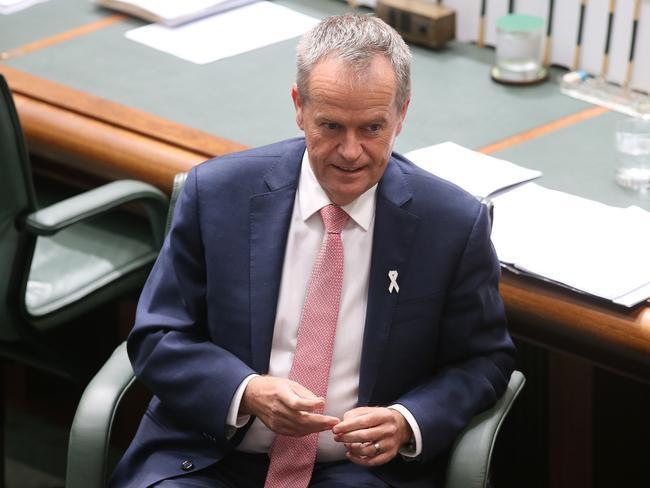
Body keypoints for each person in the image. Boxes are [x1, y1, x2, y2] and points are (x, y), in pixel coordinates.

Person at [110, 13, 515, 488]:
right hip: (205, 457)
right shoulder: (218, 194)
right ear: (298, 107)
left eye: (371, 128)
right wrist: (248, 392)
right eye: (330, 126)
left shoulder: (451, 224)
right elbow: (158, 335)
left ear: (401, 114)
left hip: (356, 473)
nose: (350, 151)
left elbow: (484, 360)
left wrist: (408, 420)